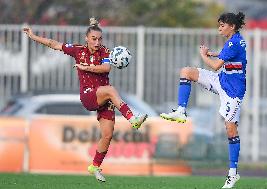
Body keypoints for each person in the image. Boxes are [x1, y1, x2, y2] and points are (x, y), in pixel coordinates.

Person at [23, 18, 148, 182]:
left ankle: (95, 166)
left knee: (107, 135)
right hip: (89, 96)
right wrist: (33, 37)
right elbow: (54, 44)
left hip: (104, 97)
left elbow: (106, 68)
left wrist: (85, 67)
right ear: (86, 38)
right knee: (110, 90)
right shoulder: (78, 50)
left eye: (99, 39)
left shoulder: (105, 52)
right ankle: (133, 119)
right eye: (94, 39)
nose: (97, 42)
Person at [160, 12, 246, 188]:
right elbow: (225, 57)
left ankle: (232, 173)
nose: (219, 28)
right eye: (219, 25)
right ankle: (181, 111)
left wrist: (203, 55)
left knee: (231, 130)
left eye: (222, 25)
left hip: (233, 91)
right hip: (222, 81)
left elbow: (215, 65)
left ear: (232, 26)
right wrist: (213, 53)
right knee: (187, 72)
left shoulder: (234, 42)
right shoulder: (234, 40)